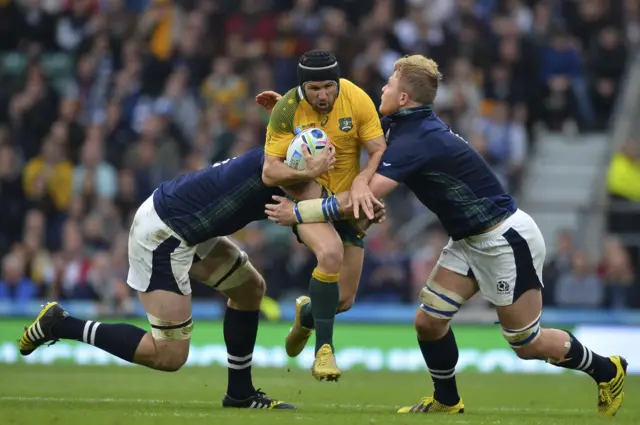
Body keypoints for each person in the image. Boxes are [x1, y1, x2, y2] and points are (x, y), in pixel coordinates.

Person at [263, 55, 626, 416]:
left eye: (390, 83)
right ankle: (447, 400)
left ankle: (607, 369)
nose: (384, 87)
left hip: (503, 239)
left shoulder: (416, 139)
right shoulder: (400, 126)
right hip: (468, 240)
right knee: (428, 322)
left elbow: (360, 200)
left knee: (526, 343)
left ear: (404, 98)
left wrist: (297, 212)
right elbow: (346, 136)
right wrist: (287, 109)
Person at [18, 146, 333, 410]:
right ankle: (61, 324)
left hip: (187, 227)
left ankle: (240, 393)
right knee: (169, 356)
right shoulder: (277, 179)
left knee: (250, 289)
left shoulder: (278, 158)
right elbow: (316, 232)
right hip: (162, 235)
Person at [257, 50, 387, 381]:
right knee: (330, 253)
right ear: (302, 87)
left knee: (342, 301)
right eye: (314, 88)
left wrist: (361, 180)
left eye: (329, 86)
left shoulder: (356, 99)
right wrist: (309, 170)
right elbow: (269, 173)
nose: (323, 95)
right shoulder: (287, 108)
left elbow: (378, 150)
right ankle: (324, 354)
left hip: (347, 201)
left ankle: (306, 315)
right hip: (307, 197)